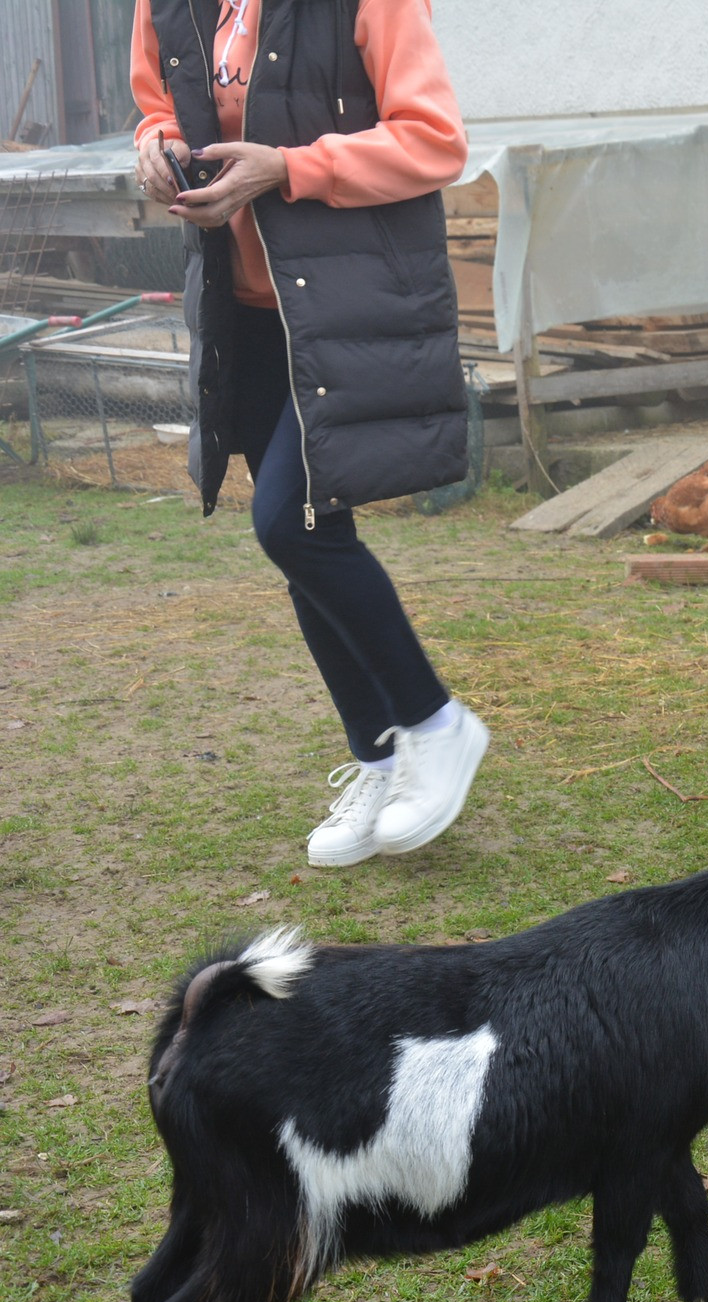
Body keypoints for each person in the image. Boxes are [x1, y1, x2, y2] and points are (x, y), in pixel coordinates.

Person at [132, 0, 488, 867]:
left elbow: (435, 139)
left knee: (287, 519)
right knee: (309, 537)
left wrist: (287, 169)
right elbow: (156, 104)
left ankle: (438, 724)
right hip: (243, 310)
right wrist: (152, 147)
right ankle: (378, 756)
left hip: (343, 307)